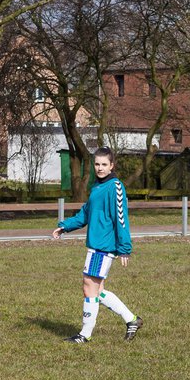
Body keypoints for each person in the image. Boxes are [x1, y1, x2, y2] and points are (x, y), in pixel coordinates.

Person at [52, 147, 143, 343]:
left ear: (112, 166)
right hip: (95, 245)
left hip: (103, 247)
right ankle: (131, 320)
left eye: (104, 164)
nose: (100, 168)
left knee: (89, 288)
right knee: (97, 290)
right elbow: (86, 213)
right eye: (97, 164)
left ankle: (85, 335)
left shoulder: (115, 186)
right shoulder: (97, 186)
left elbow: (121, 218)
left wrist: (124, 248)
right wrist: (65, 227)